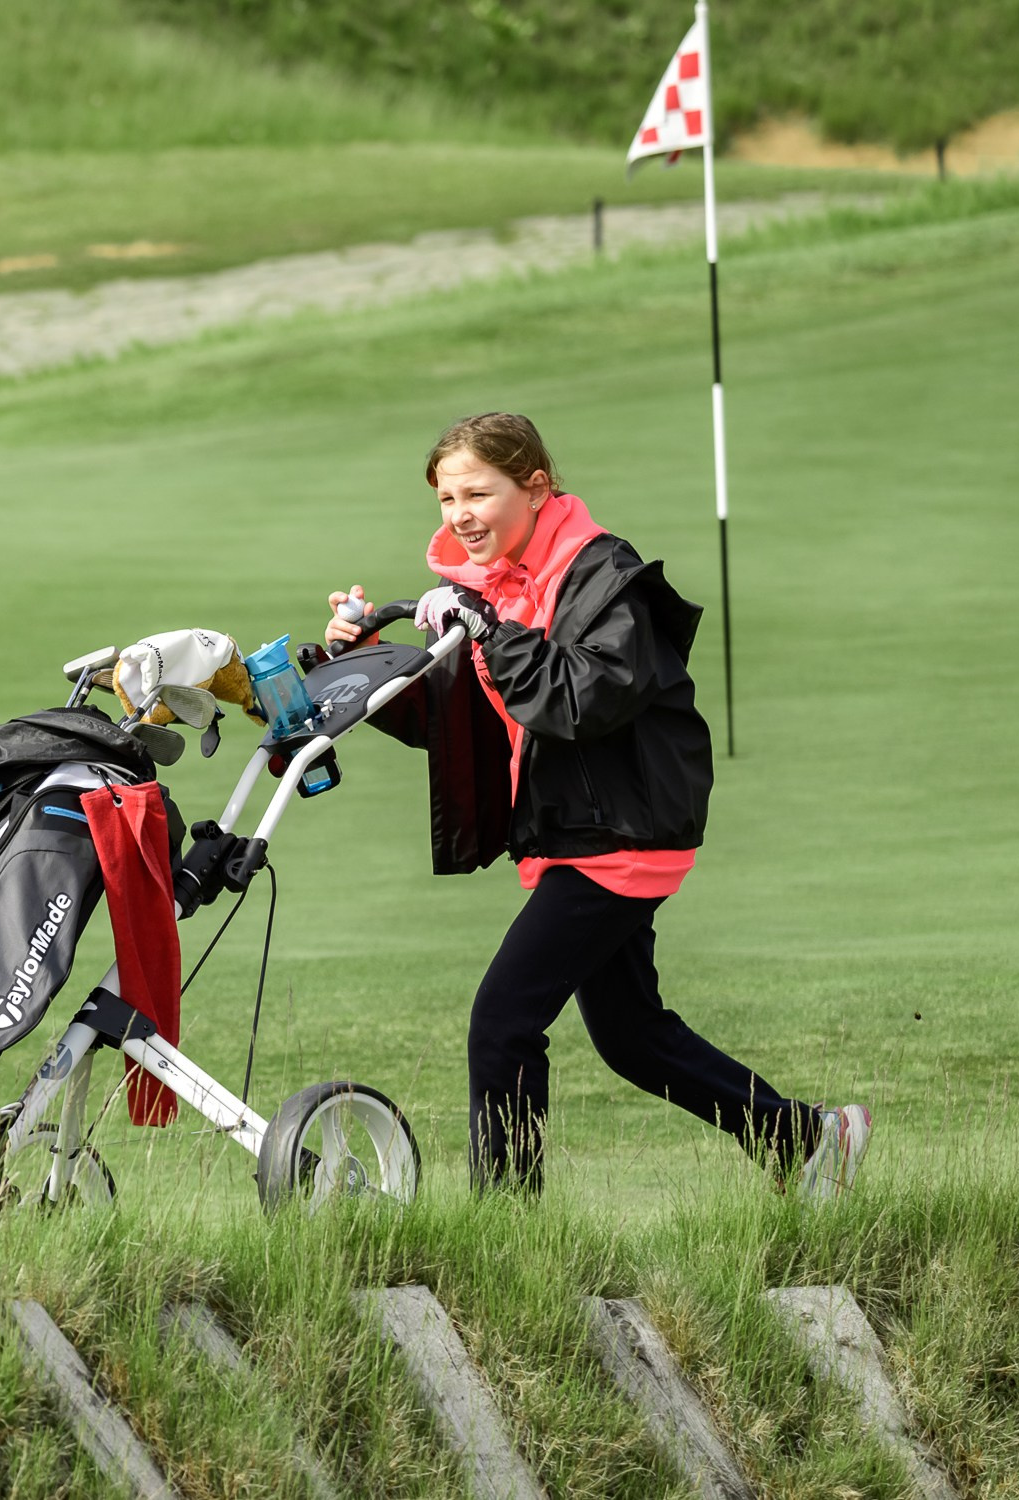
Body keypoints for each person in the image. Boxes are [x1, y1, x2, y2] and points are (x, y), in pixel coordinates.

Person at [325, 411, 869, 1198]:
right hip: (570, 832)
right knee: (631, 1037)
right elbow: (464, 725)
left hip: (620, 833)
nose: (458, 515)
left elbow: (580, 699)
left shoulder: (600, 575)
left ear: (535, 486)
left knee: (503, 1023)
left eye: (477, 492)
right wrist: (361, 662)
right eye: (445, 499)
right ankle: (807, 1140)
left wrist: (486, 629)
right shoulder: (486, 589)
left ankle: (504, 1236)